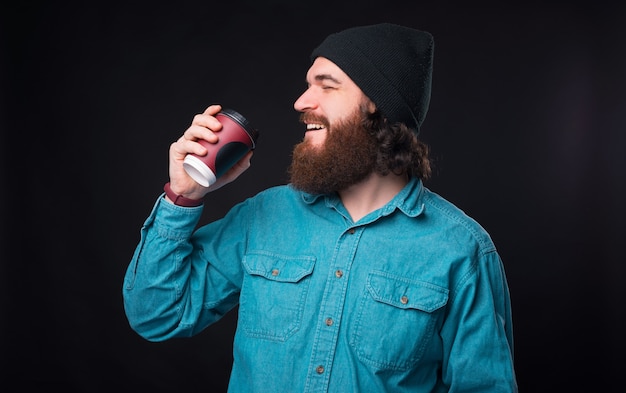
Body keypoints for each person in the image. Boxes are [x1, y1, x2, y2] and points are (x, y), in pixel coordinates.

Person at [123, 23, 518, 392]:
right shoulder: (264, 215)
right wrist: (184, 195)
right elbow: (157, 314)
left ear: (378, 107)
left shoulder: (463, 251)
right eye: (307, 84)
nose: (301, 101)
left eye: (326, 86)